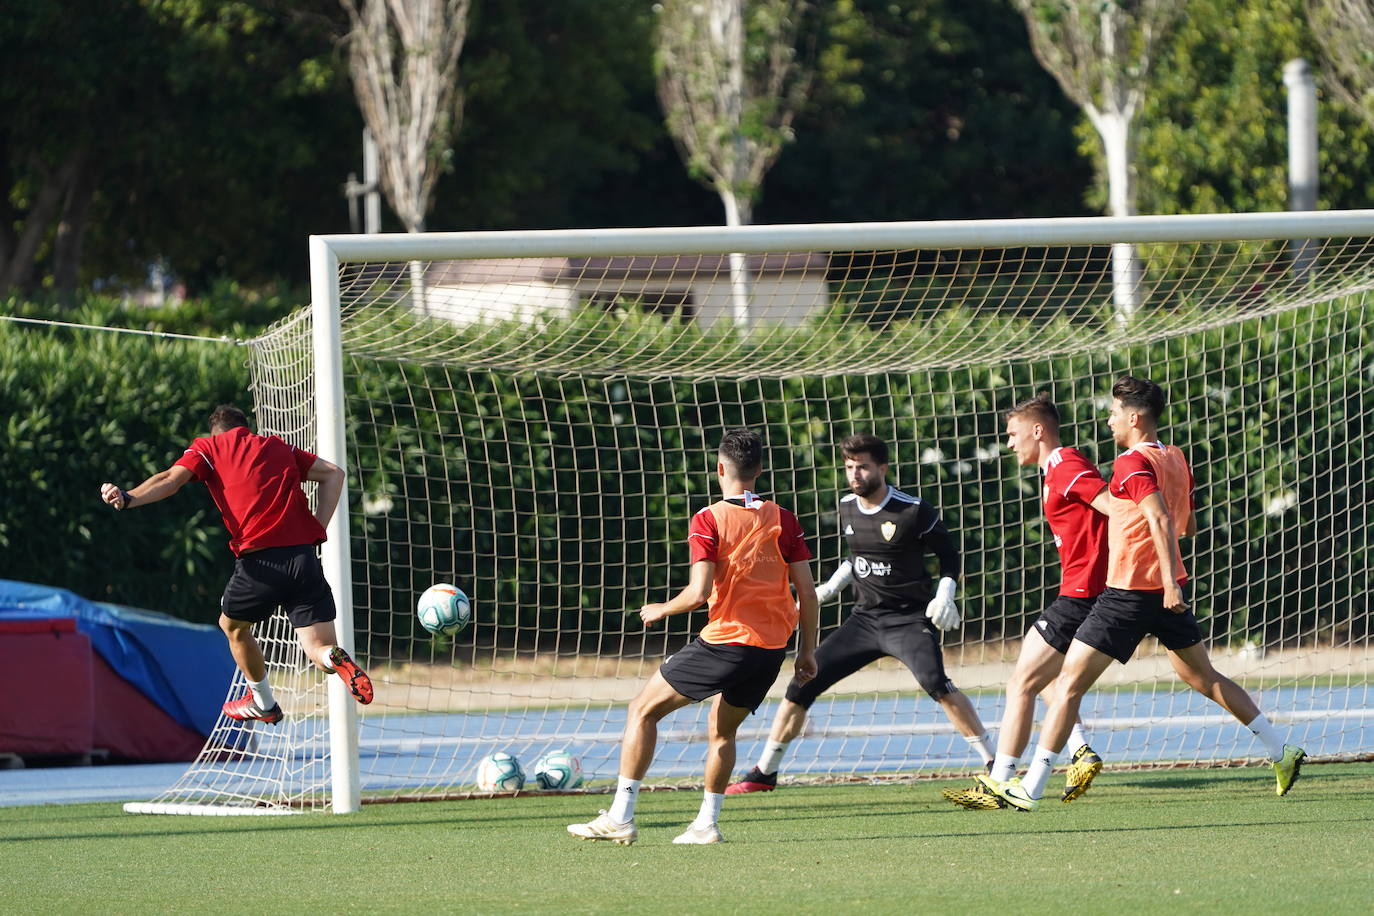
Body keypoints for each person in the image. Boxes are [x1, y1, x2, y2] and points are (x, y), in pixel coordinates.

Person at [976, 377, 1306, 810]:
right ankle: (1281, 750)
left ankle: (1030, 788)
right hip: (1165, 590)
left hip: (1130, 590)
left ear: (1133, 418)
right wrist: (1166, 571)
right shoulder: (1175, 456)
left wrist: (1158, 568)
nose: (1109, 420)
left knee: (1067, 685)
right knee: (1204, 678)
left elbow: (1162, 519)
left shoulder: (1129, 463)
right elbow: (1186, 524)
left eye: (1114, 413)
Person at [567, 428, 818, 845]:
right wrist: (807, 652)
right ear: (759, 470)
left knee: (641, 711)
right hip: (771, 650)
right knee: (722, 731)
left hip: (727, 643)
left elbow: (698, 593)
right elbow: (807, 594)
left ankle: (621, 817)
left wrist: (661, 608)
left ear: (720, 469)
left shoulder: (709, 518)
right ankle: (706, 825)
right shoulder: (784, 518)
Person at [727, 433, 993, 795]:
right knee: (802, 682)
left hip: (908, 620)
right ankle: (765, 772)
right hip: (865, 620)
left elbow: (949, 556)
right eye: (849, 467)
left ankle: (995, 764)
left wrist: (946, 593)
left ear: (882, 468)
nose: (855, 474)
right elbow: (858, 556)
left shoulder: (913, 510)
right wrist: (830, 587)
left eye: (863, 467)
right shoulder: (847, 506)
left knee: (937, 684)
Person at [99, 404, 373, 724]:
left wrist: (128, 497)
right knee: (319, 647)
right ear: (246, 428)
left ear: (216, 431)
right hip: (304, 559)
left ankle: (264, 702)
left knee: (232, 627)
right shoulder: (276, 446)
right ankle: (332, 657)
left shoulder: (209, 447)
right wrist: (317, 530)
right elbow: (333, 474)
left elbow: (170, 479)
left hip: (260, 564)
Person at [944, 393, 1107, 811]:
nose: (1009, 443)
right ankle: (1069, 754)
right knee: (1041, 682)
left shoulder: (1066, 464)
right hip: (1084, 592)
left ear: (1038, 430)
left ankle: (1000, 783)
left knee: (1022, 684)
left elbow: (1114, 506)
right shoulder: (1055, 469)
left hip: (1083, 595)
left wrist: (1153, 522)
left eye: (1013, 434)